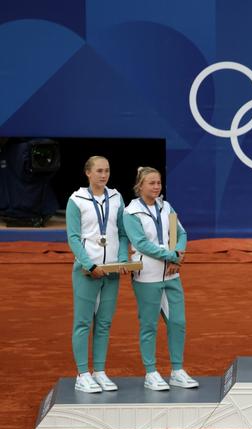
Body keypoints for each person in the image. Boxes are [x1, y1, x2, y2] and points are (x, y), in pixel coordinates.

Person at [123, 167, 198, 390]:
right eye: (151, 183)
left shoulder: (167, 207)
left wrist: (177, 257)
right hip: (147, 276)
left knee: (178, 322)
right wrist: (171, 255)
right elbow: (141, 244)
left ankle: (177, 370)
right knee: (149, 325)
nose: (156, 187)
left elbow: (180, 234)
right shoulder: (131, 212)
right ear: (140, 186)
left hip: (172, 274)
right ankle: (151, 373)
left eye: (158, 183)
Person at [66, 156, 129, 393]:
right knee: (83, 323)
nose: (104, 175)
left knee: (103, 324)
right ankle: (82, 374)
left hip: (111, 272)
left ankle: (99, 372)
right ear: (88, 173)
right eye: (99, 171)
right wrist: (89, 265)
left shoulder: (116, 197)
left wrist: (122, 258)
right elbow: (73, 237)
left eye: (107, 171)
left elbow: (123, 233)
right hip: (86, 272)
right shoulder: (77, 200)